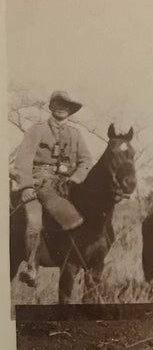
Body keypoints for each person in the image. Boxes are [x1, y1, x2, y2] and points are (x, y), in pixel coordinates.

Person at [12, 90, 93, 286]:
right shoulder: (37, 130)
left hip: (67, 186)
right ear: (51, 106)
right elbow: (23, 159)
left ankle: (87, 264)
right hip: (39, 184)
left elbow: (86, 161)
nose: (62, 108)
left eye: (66, 105)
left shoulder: (75, 134)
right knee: (34, 221)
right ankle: (31, 268)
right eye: (58, 103)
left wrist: (74, 179)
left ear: (71, 111)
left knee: (88, 219)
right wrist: (26, 187)